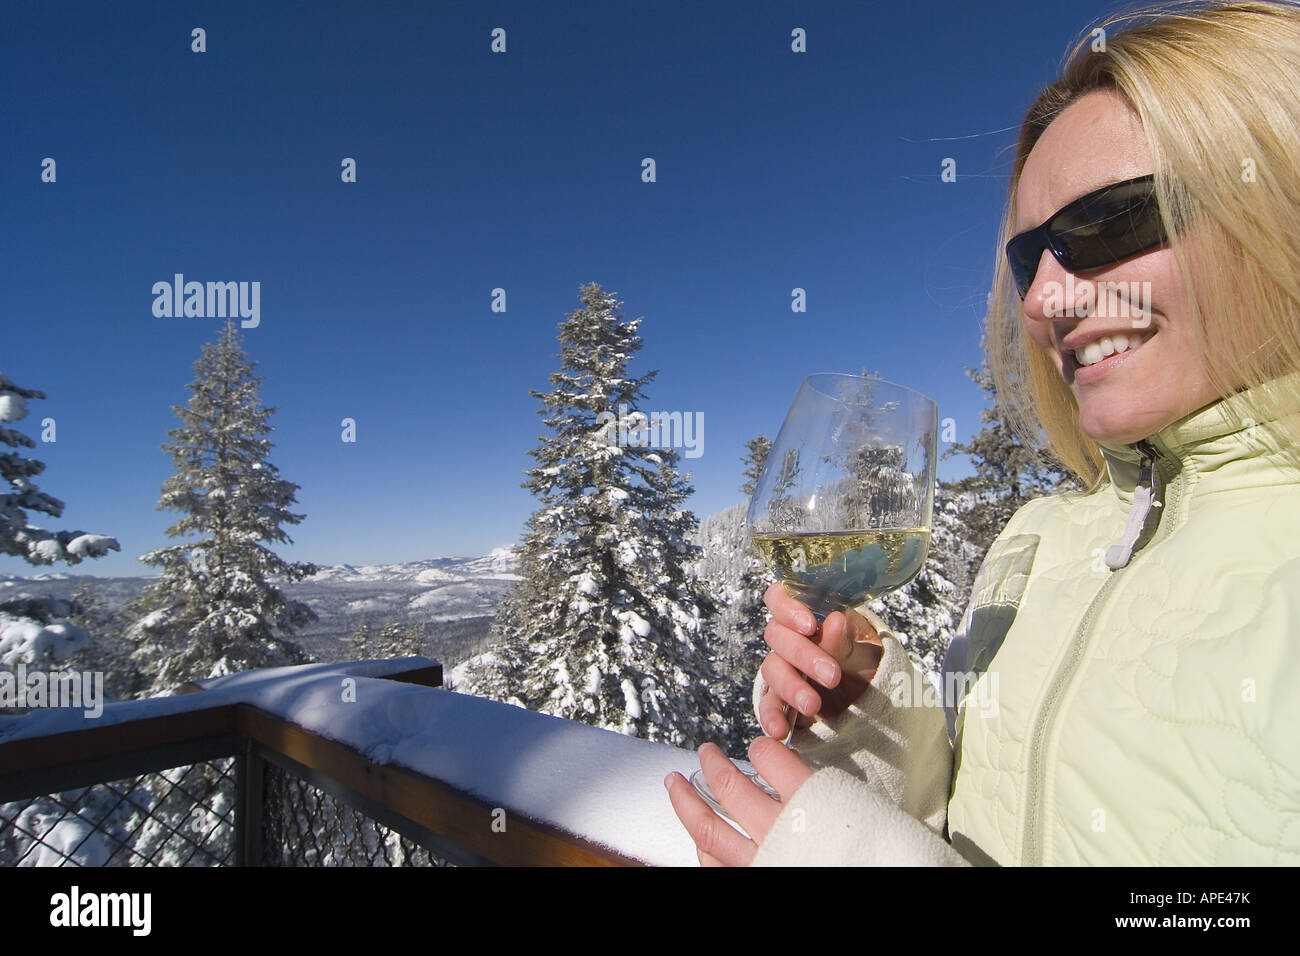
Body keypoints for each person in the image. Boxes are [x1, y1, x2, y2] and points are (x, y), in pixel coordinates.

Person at [665, 0, 1300, 866]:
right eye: (1028, 255)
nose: (1042, 301)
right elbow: (965, 800)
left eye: (1108, 221)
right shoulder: (1037, 542)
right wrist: (872, 721)